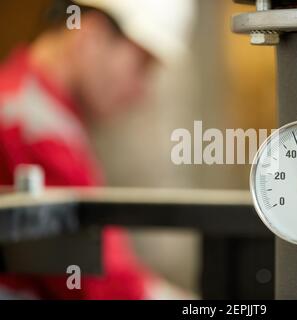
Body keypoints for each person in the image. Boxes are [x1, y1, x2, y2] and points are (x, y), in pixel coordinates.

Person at [0, 0, 193, 299]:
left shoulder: (30, 110)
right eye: (141, 64)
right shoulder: (30, 127)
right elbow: (101, 283)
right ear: (91, 36)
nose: (141, 91)